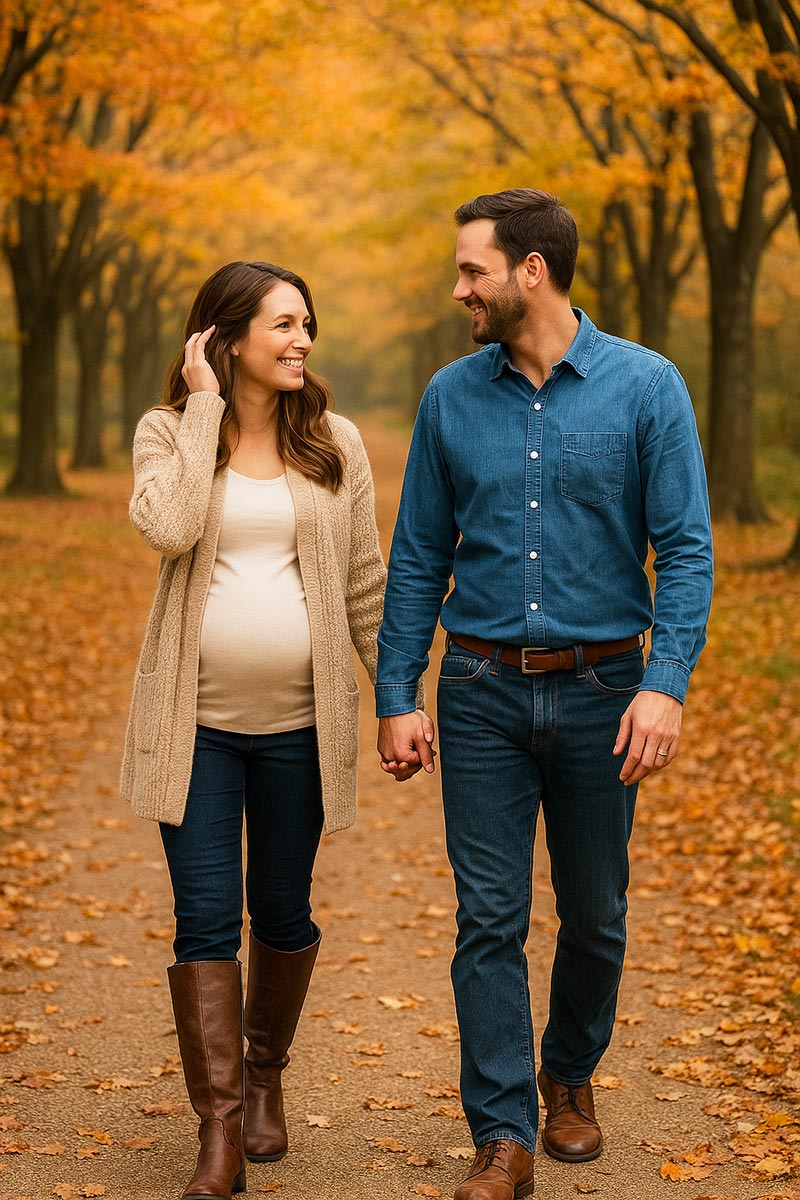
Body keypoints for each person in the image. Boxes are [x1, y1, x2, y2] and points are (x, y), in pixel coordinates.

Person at [376, 189, 713, 1200]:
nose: (457, 288)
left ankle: (567, 1075)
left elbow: (685, 551)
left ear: (530, 270)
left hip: (605, 689)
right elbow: (416, 556)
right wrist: (399, 689)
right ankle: (502, 1135)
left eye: (471, 269)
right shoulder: (449, 395)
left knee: (595, 912)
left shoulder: (645, 387)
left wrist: (664, 685)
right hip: (478, 687)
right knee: (487, 917)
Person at [120, 260, 388, 1200]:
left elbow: (364, 580)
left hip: (298, 733)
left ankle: (266, 1076)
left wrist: (398, 695)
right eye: (281, 325)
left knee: (281, 911)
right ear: (225, 337)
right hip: (192, 731)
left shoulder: (334, 442)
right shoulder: (168, 433)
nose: (301, 340)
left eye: (306, 323)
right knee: (203, 921)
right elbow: (171, 525)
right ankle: (220, 1131)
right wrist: (202, 411)